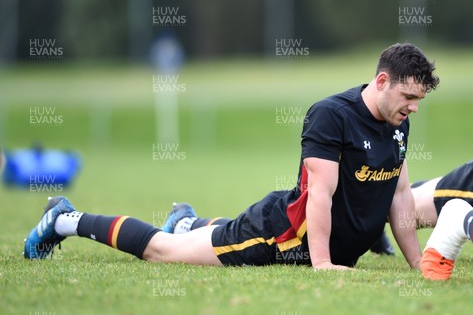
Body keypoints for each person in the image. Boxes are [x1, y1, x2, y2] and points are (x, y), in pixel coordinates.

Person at [24, 43, 439, 270]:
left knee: (200, 234)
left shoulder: (397, 118)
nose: (414, 108)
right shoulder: (331, 116)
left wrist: (418, 264)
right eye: (408, 97)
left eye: (418, 100)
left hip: (315, 243)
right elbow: (320, 197)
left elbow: (399, 193)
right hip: (283, 237)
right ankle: (64, 219)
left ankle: (188, 220)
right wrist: (324, 265)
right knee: (165, 251)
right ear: (382, 81)